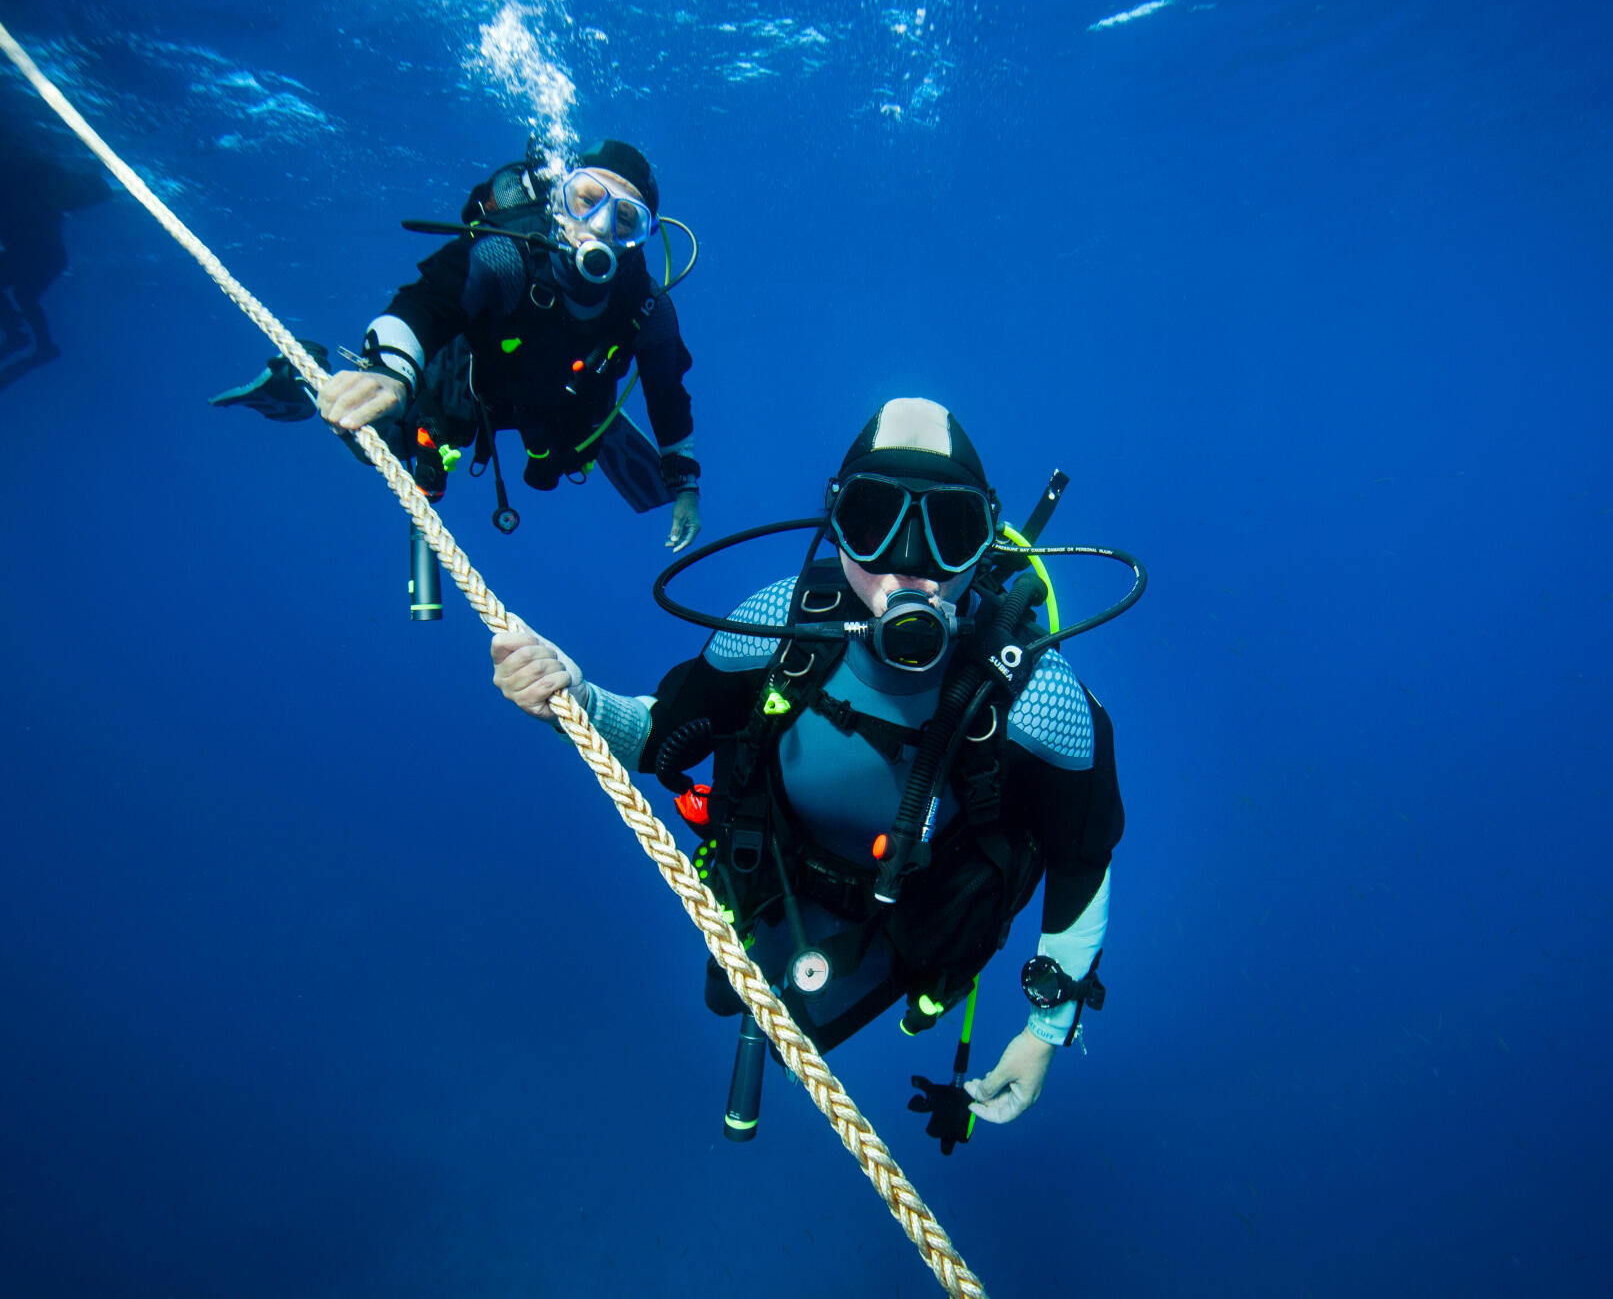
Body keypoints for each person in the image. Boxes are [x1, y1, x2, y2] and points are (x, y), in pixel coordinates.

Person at [492, 398, 1132, 1144]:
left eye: (949, 531)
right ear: (836, 524)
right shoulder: (780, 623)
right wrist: (578, 695)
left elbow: (1082, 860)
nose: (909, 562)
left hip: (909, 922)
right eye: (874, 520)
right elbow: (658, 739)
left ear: (983, 540)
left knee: (797, 1046)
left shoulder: (1038, 701)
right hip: (777, 883)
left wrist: (1044, 1031)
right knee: (727, 1001)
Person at [211, 139, 703, 550]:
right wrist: (392, 374)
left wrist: (685, 487)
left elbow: (667, 392)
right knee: (386, 440)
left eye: (625, 219)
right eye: (586, 198)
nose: (599, 226)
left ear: (643, 235)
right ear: (559, 199)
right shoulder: (506, 257)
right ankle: (304, 377)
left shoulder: (647, 306)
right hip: (472, 387)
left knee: (562, 456)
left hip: (556, 406)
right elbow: (425, 304)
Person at [0, 148, 111, 394]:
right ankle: (19, 336)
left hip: (44, 256)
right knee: (23, 295)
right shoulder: (23, 191)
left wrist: (92, 170)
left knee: (23, 295)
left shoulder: (31, 189)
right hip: (28, 254)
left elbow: (96, 190)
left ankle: (38, 345)